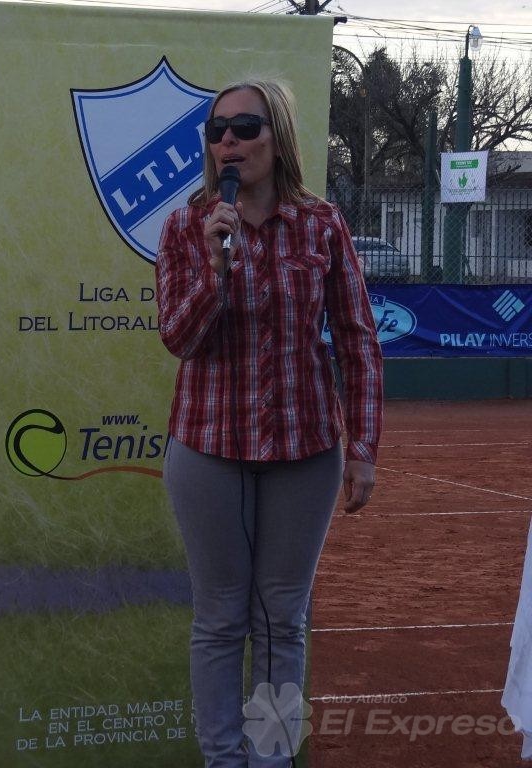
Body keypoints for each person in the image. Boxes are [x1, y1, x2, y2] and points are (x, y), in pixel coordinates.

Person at [155, 79, 383, 767]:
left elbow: (356, 337)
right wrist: (214, 269)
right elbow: (179, 337)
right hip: (208, 444)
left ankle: (273, 758)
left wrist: (363, 446)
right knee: (221, 617)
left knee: (282, 617)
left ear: (277, 137)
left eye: (245, 127)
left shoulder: (321, 224)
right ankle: (224, 761)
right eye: (216, 130)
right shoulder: (186, 226)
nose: (228, 141)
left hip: (304, 447)